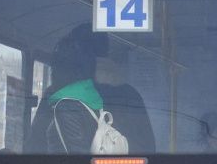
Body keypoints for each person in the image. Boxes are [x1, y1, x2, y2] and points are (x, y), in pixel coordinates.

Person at [28, 24, 155, 154]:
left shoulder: (55, 95)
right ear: (107, 52)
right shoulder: (129, 95)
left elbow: (35, 145)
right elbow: (148, 150)